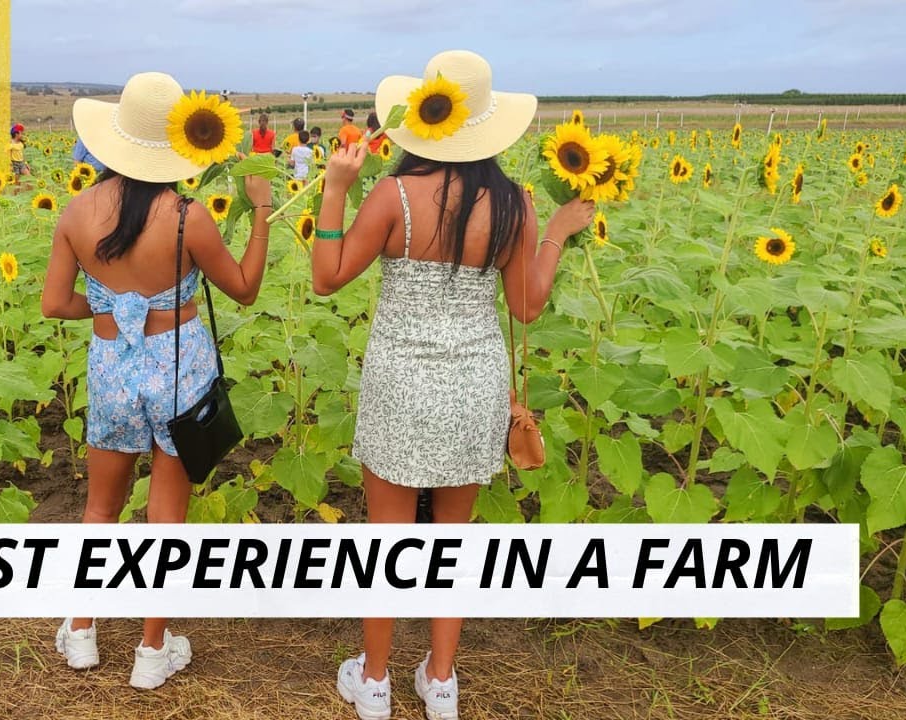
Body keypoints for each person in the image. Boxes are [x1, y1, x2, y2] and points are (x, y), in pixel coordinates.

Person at [311, 51, 594, 720]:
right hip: (476, 383)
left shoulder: (395, 197)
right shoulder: (511, 204)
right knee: (452, 540)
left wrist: (332, 190)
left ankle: (374, 682)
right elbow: (526, 306)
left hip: (401, 383)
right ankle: (441, 682)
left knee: (386, 539)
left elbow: (327, 277)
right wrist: (554, 233)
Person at [41, 71, 274, 691]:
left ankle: (83, 631)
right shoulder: (186, 218)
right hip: (180, 369)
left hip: (112, 365)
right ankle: (151, 649)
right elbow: (244, 291)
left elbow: (53, 303)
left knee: (99, 507)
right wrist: (261, 215)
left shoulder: (76, 211)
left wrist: (114, 310)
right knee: (165, 515)